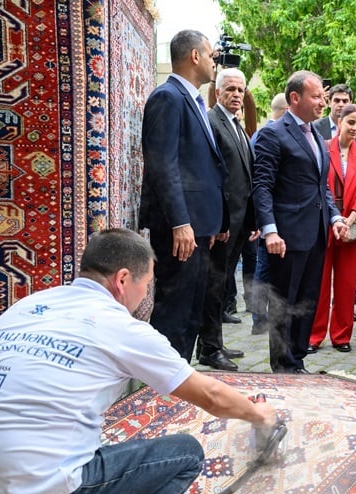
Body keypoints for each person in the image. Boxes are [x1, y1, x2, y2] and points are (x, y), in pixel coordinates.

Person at [0, 229, 276, 494]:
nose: (145, 295)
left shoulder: (26, 307)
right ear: (123, 279)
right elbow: (211, 396)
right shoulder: (120, 326)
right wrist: (258, 414)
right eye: (146, 284)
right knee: (186, 454)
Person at [252, 70, 349, 374]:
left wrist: (334, 216)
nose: (323, 102)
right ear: (295, 98)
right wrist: (270, 230)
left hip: (316, 235)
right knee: (285, 303)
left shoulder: (316, 136)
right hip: (286, 237)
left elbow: (322, 186)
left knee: (307, 302)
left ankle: (297, 361)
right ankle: (283, 366)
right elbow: (262, 186)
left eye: (323, 96)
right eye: (316, 96)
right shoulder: (273, 133)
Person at [139, 30, 227, 362]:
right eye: (211, 55)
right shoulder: (168, 97)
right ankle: (161, 385)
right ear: (194, 56)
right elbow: (162, 165)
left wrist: (212, 221)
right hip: (181, 229)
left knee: (191, 313)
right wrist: (180, 222)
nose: (214, 62)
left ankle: (180, 378)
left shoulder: (194, 100)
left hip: (198, 227)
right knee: (174, 313)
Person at [196, 68, 257, 371]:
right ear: (217, 92)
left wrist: (252, 221)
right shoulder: (211, 122)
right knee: (213, 285)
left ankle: (214, 343)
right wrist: (216, 221)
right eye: (230, 89)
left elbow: (245, 176)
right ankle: (208, 348)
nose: (236, 95)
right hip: (221, 224)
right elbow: (209, 177)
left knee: (222, 286)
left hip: (239, 223)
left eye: (240, 90)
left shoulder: (237, 125)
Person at [309, 104, 356, 353]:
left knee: (346, 284)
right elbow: (318, 185)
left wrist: (351, 219)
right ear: (339, 122)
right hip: (324, 222)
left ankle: (342, 336)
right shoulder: (323, 147)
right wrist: (335, 219)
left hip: (351, 226)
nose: (355, 128)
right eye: (351, 122)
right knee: (320, 282)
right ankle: (314, 336)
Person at [250, 93, 289, 336]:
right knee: (264, 270)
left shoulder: (259, 133)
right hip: (270, 216)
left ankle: (260, 319)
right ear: (286, 111)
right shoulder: (270, 134)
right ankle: (260, 319)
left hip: (267, 216)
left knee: (263, 269)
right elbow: (262, 182)